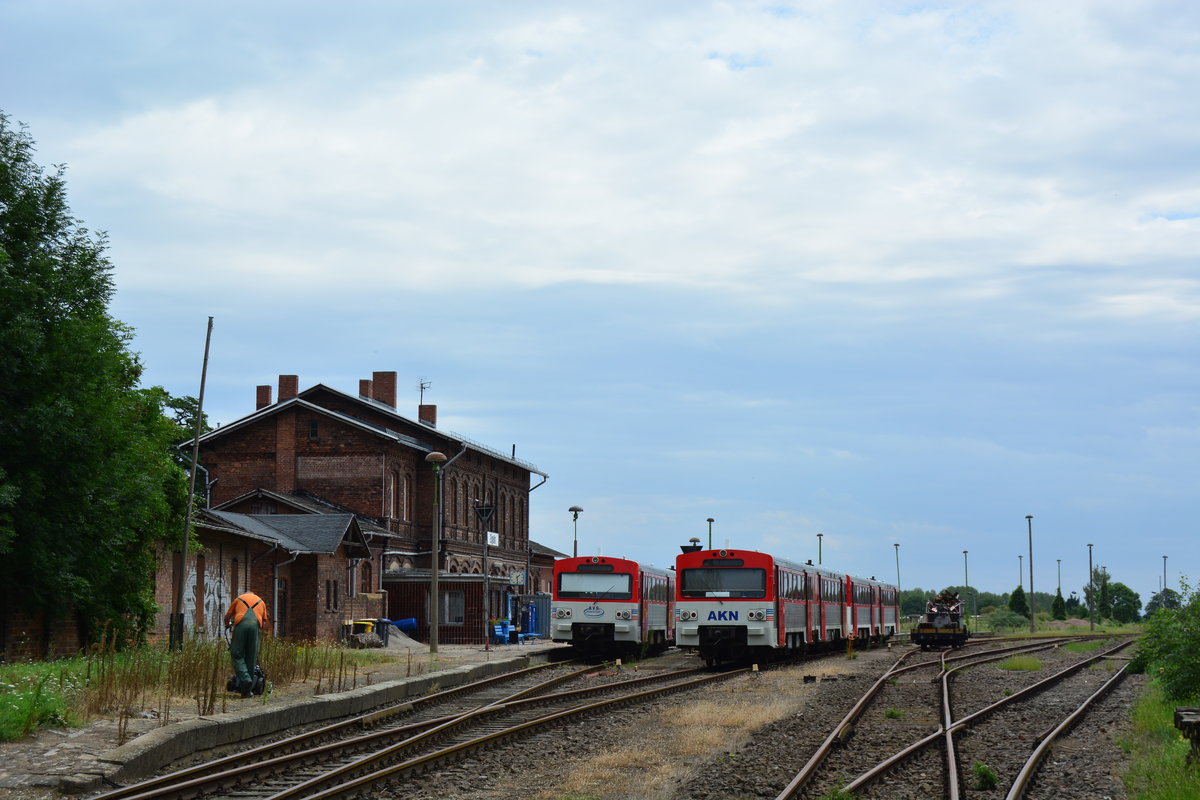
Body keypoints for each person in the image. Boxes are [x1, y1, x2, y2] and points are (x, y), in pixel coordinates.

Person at [223, 590, 269, 697]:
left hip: (241, 626)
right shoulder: (261, 602)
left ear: (245, 594)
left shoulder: (238, 599)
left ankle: (245, 678)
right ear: (253, 595)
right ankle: (247, 691)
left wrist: (227, 624)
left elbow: (227, 617)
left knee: (236, 653)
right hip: (255, 627)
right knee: (251, 657)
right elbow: (264, 623)